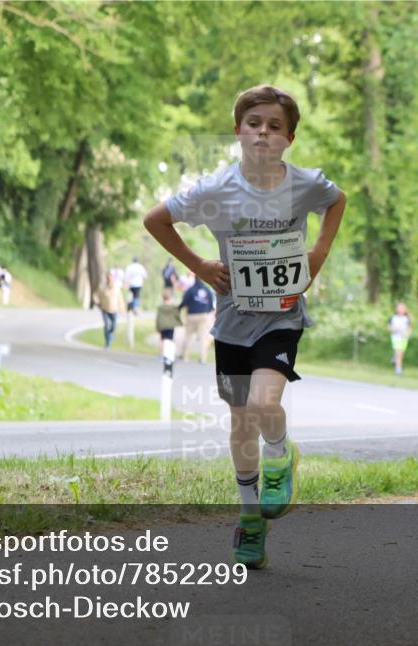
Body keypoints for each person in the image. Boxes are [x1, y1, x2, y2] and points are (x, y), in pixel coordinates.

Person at [143, 84, 346, 569]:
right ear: (238, 131)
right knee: (239, 423)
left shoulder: (305, 185)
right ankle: (250, 517)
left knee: (263, 404)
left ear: (289, 138)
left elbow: (337, 202)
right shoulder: (215, 190)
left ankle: (281, 453)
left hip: (281, 316)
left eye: (275, 126)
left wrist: (318, 253)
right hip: (232, 321)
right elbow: (156, 220)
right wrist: (198, 265)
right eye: (254, 124)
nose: (263, 133)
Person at [178, 273, 215, 364]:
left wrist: (178, 309)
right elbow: (211, 305)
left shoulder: (190, 290)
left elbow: (184, 302)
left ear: (195, 278)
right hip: (203, 316)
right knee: (203, 338)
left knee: (188, 336)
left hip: (191, 315)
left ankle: (185, 357)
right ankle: (202, 359)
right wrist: (206, 311)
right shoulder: (207, 290)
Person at [93, 271, 126, 350]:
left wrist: (122, 309)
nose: (109, 280)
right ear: (106, 279)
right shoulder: (102, 287)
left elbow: (120, 299)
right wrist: (97, 302)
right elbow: (95, 295)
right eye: (108, 278)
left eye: (111, 278)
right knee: (107, 326)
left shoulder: (116, 288)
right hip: (105, 309)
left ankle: (110, 334)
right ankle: (107, 343)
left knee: (113, 326)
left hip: (114, 310)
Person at [388, 302, 412, 375]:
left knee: (401, 354)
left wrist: (407, 334)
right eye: (399, 308)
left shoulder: (406, 319)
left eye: (402, 308)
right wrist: (394, 329)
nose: (400, 310)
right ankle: (398, 369)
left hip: (404, 338)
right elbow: (389, 327)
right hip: (396, 338)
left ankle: (395, 359)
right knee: (399, 352)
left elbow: (409, 329)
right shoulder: (393, 318)